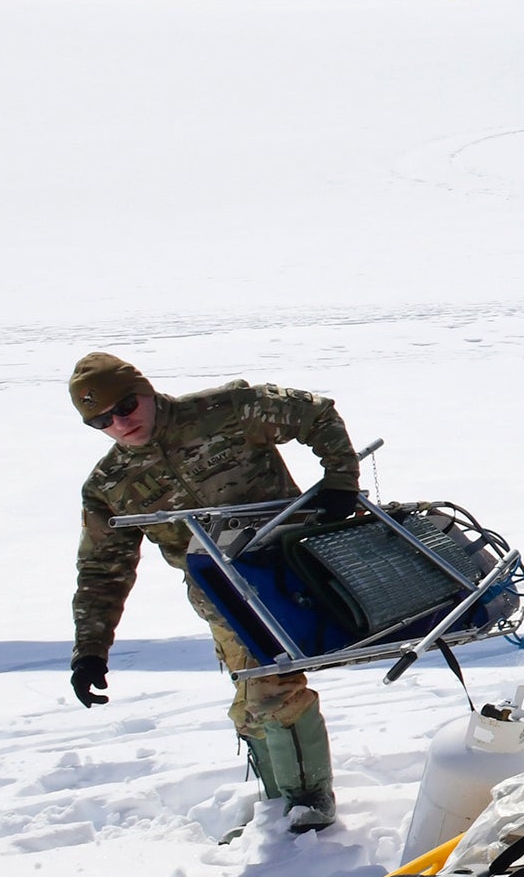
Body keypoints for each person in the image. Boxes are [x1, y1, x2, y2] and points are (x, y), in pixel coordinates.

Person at [66, 352, 360, 832]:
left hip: (290, 572)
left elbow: (317, 412)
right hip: (221, 598)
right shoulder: (110, 486)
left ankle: (309, 808)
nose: (119, 424)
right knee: (250, 706)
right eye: (100, 421)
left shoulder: (230, 410)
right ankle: (280, 805)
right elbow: (102, 569)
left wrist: (340, 482)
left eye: (125, 407)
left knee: (272, 693)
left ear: (144, 389)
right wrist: (90, 650)